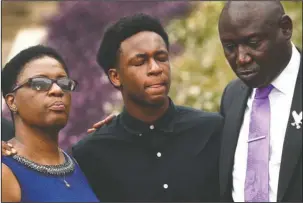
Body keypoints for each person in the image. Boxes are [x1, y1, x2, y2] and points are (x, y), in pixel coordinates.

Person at [218, 1, 302, 202]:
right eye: (230, 47)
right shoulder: (232, 95)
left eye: (253, 43)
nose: (241, 58)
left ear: (285, 28)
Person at [1, 45, 99, 202]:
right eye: (39, 83)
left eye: (64, 83)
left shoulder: (77, 165)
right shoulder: (5, 172)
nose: (57, 90)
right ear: (12, 102)